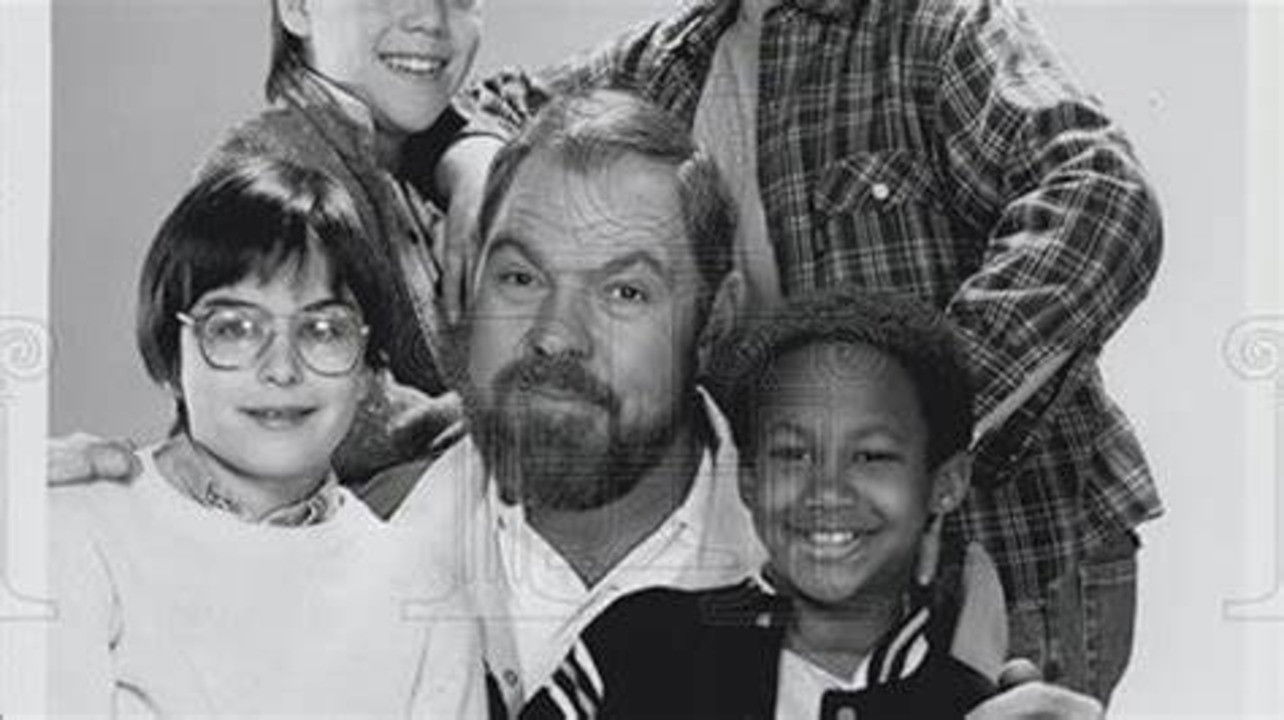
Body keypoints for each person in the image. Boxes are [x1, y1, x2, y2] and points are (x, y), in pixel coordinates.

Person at [432, 0, 1165, 703]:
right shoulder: (667, 59)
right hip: (795, 553)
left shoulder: (938, 30)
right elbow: (489, 106)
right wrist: (477, 164)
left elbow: (1103, 199)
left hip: (1011, 552)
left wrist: (919, 418)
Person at [47, 158, 486, 717]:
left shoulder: (424, 595)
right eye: (234, 328)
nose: (281, 369)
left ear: (368, 366)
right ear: (170, 354)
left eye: (323, 330)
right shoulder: (77, 526)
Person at [516, 289, 1002, 719]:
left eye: (871, 456)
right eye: (793, 454)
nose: (827, 491)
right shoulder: (640, 645)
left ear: (946, 483)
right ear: (748, 479)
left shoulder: (974, 702)